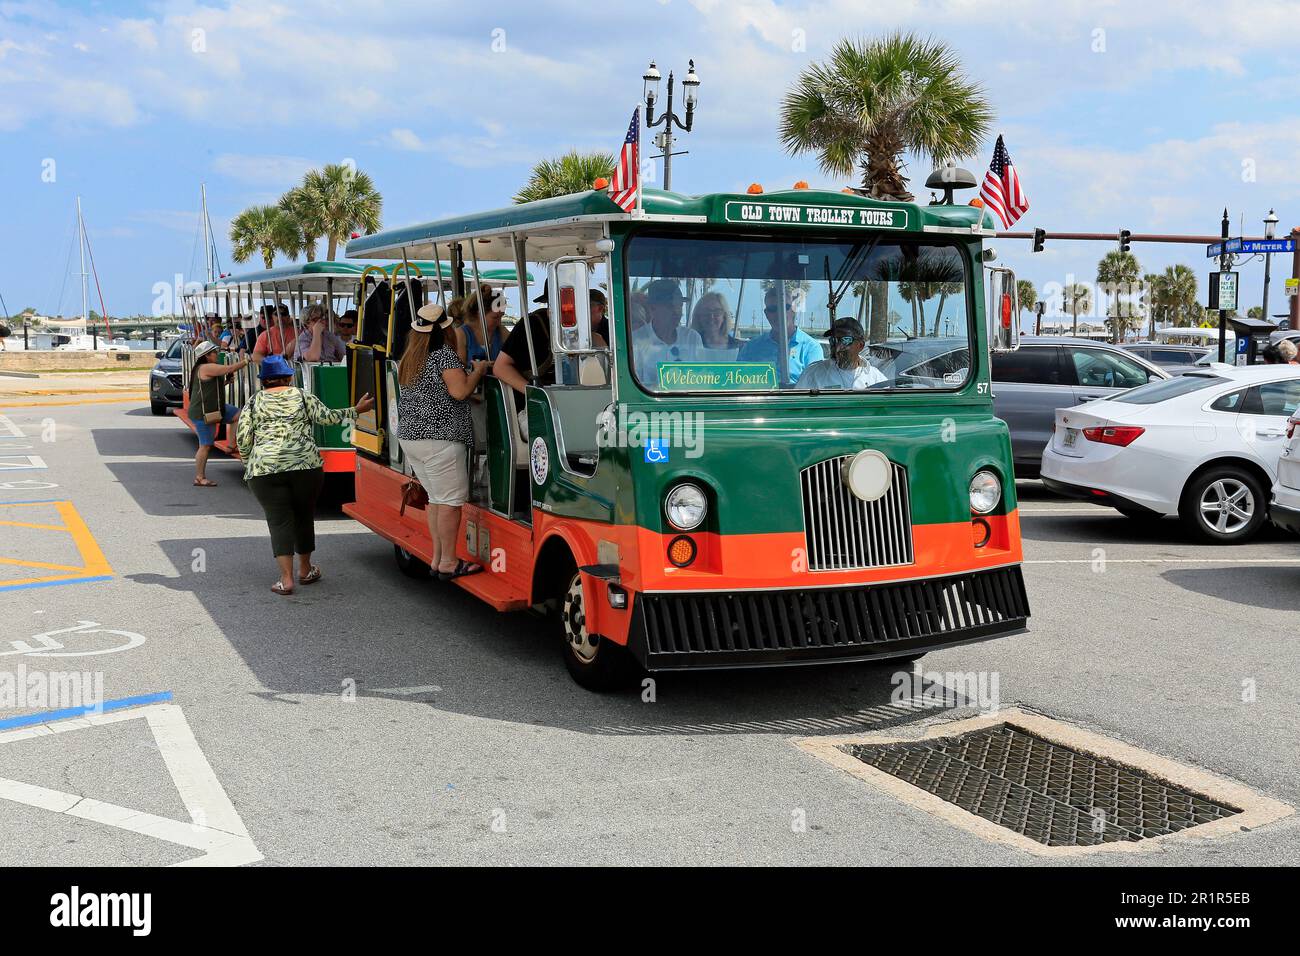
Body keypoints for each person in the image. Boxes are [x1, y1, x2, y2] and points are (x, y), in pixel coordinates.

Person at [237, 354, 374, 595]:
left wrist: (250, 464)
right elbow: (327, 418)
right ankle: (305, 569)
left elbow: (243, 438)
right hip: (306, 467)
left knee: (278, 521)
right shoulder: (301, 395)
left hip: (265, 470)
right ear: (289, 377)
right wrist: (357, 410)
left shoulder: (253, 402)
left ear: (263, 381)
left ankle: (286, 579)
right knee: (303, 515)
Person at [397, 303, 489, 580]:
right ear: (445, 329)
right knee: (450, 502)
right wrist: (479, 371)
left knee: (437, 500)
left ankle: (438, 558)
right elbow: (459, 392)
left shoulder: (411, 357)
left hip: (412, 437)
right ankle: (448, 561)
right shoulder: (443, 356)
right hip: (441, 438)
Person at [494, 283, 555, 437]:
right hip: (532, 408)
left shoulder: (592, 328)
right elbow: (501, 367)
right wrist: (534, 394)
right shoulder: (531, 325)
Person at [189, 340, 253, 487]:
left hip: (215, 408)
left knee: (239, 415)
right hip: (204, 413)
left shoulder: (205, 368)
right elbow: (228, 368)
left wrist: (225, 382)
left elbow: (209, 387)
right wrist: (246, 360)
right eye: (214, 352)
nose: (217, 354)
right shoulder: (206, 367)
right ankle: (199, 477)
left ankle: (231, 445)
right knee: (205, 446)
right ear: (206, 355)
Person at [738, 287, 823, 385]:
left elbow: (816, 386)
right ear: (766, 314)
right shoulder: (750, 348)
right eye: (773, 309)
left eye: (784, 307)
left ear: (793, 310)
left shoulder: (811, 348)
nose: (779, 313)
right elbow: (738, 382)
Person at [630, 279, 703, 383]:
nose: (677, 311)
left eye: (680, 305)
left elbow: (702, 378)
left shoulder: (692, 338)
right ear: (652, 308)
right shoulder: (635, 340)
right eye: (670, 306)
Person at [795, 317, 886, 391]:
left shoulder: (875, 378)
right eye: (833, 340)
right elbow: (797, 407)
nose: (838, 347)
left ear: (860, 345)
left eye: (845, 340)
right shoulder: (813, 374)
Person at [690, 292, 741, 359]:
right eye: (706, 312)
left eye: (717, 312)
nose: (711, 317)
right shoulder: (690, 344)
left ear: (724, 316)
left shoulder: (737, 347)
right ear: (698, 316)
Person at [463, 286, 507, 362]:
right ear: (480, 313)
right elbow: (457, 371)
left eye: (501, 316)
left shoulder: (501, 332)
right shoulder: (462, 334)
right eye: (495, 317)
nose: (499, 322)